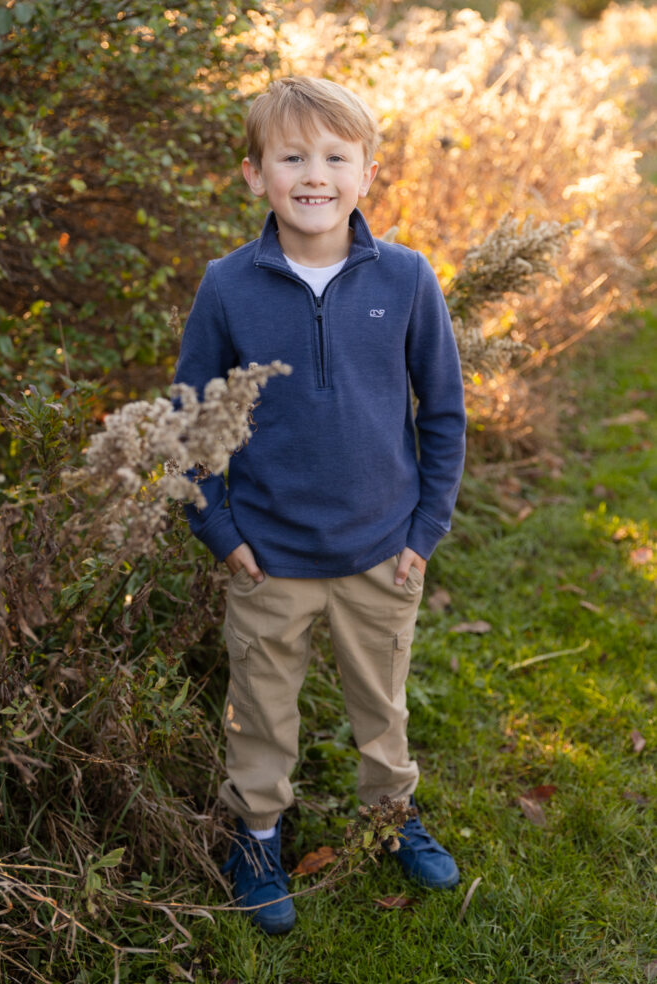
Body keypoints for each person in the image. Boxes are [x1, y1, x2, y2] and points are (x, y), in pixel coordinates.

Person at [174, 76, 466, 934]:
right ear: (253, 174)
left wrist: (424, 530)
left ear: (366, 173)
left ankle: (390, 816)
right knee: (261, 710)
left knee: (382, 705)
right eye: (292, 157)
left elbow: (442, 412)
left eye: (336, 157)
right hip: (266, 558)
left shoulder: (406, 278)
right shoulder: (227, 286)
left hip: (382, 550)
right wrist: (218, 530)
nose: (313, 175)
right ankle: (258, 835)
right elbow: (192, 420)